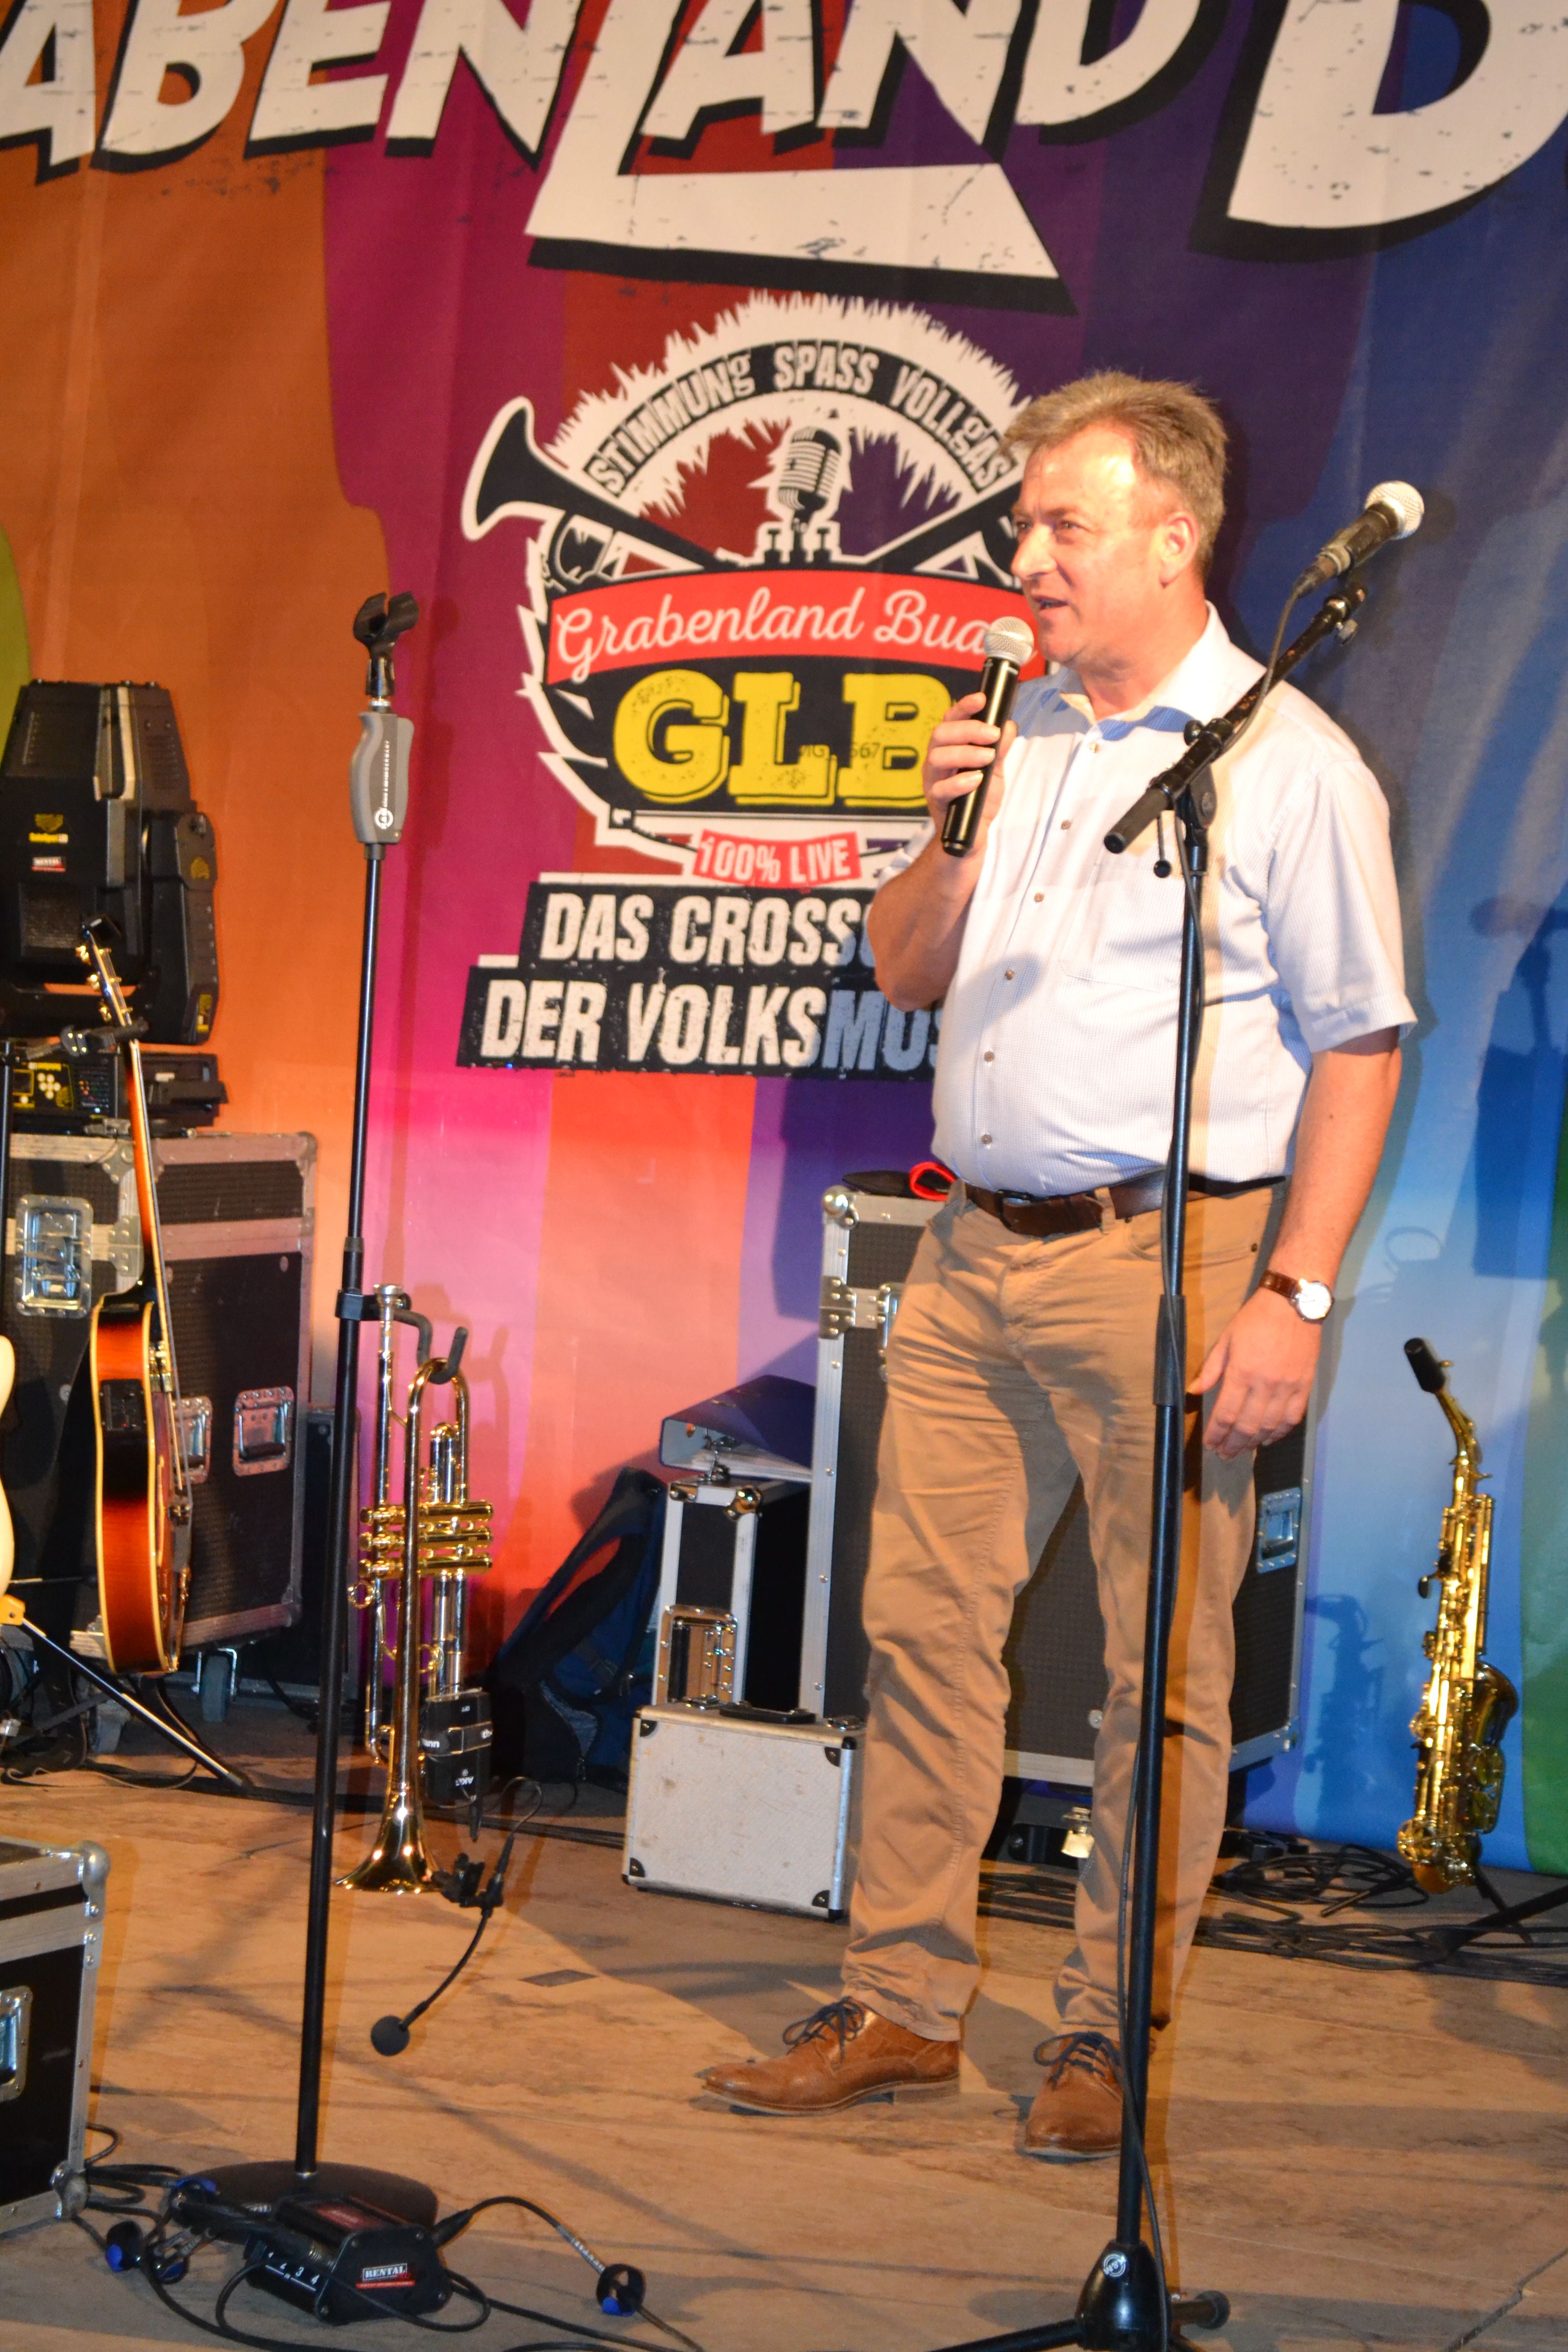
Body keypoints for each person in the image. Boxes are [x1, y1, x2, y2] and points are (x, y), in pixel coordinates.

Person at [702, 373, 1413, 2159]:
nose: (1026, 557)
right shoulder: (1016, 735)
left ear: (1174, 540)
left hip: (1171, 1256)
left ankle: (1104, 2037)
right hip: (971, 1252)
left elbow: (1359, 1046)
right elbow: (907, 973)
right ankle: (900, 2002)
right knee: (921, 1634)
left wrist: (1296, 1294)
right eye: (1024, 525)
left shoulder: (1290, 768)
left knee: (1157, 1674)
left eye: (1063, 526)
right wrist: (950, 831)